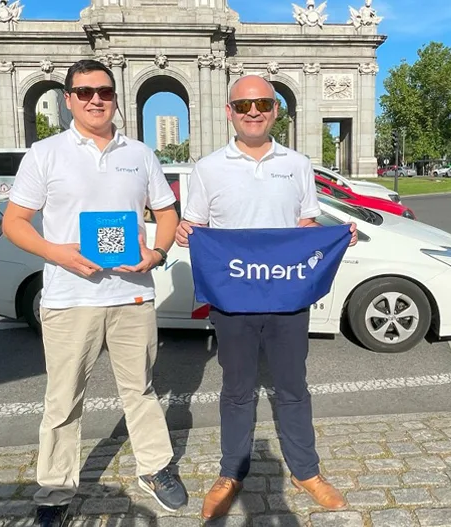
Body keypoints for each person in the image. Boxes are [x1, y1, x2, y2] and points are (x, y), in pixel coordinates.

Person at [2, 59, 187, 527]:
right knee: (63, 399)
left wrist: (157, 253)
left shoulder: (140, 154)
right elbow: (14, 222)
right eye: (84, 92)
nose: (95, 99)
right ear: (68, 99)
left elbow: (167, 212)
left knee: (141, 390)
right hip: (69, 297)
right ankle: (55, 490)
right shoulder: (45, 154)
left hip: (132, 294)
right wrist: (56, 253)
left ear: (115, 98)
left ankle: (154, 467)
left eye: (104, 91)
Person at [175, 74, 357, 521]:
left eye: (262, 104)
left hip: (287, 296)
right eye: (243, 105)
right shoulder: (209, 168)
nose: (253, 112)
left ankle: (306, 472)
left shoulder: (297, 164)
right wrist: (184, 231)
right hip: (233, 299)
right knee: (237, 391)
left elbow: (305, 226)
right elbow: (196, 226)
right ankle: (231, 473)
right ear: (229, 112)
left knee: (293, 387)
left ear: (276, 110)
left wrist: (335, 237)